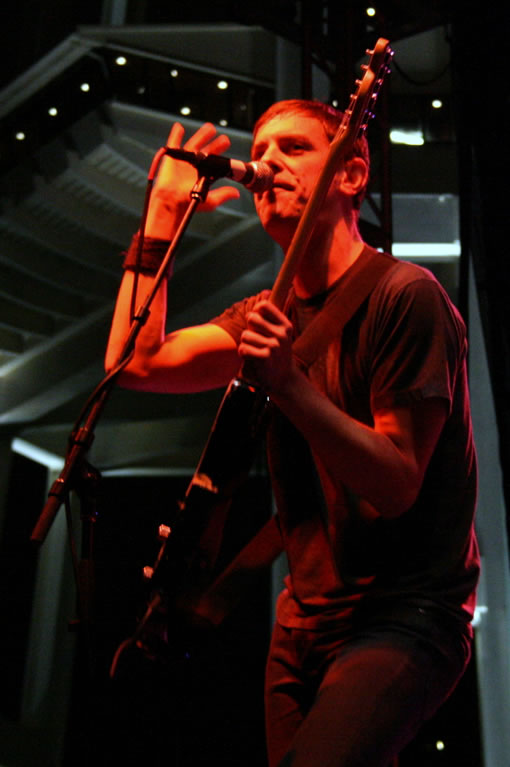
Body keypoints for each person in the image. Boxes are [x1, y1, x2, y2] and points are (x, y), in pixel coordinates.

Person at [105, 99, 479, 767]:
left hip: (405, 615)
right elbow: (134, 362)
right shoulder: (267, 311)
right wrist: (160, 216)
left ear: (352, 175)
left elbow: (397, 481)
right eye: (263, 149)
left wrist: (291, 385)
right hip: (301, 623)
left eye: (294, 149)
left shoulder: (405, 295)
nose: (266, 163)